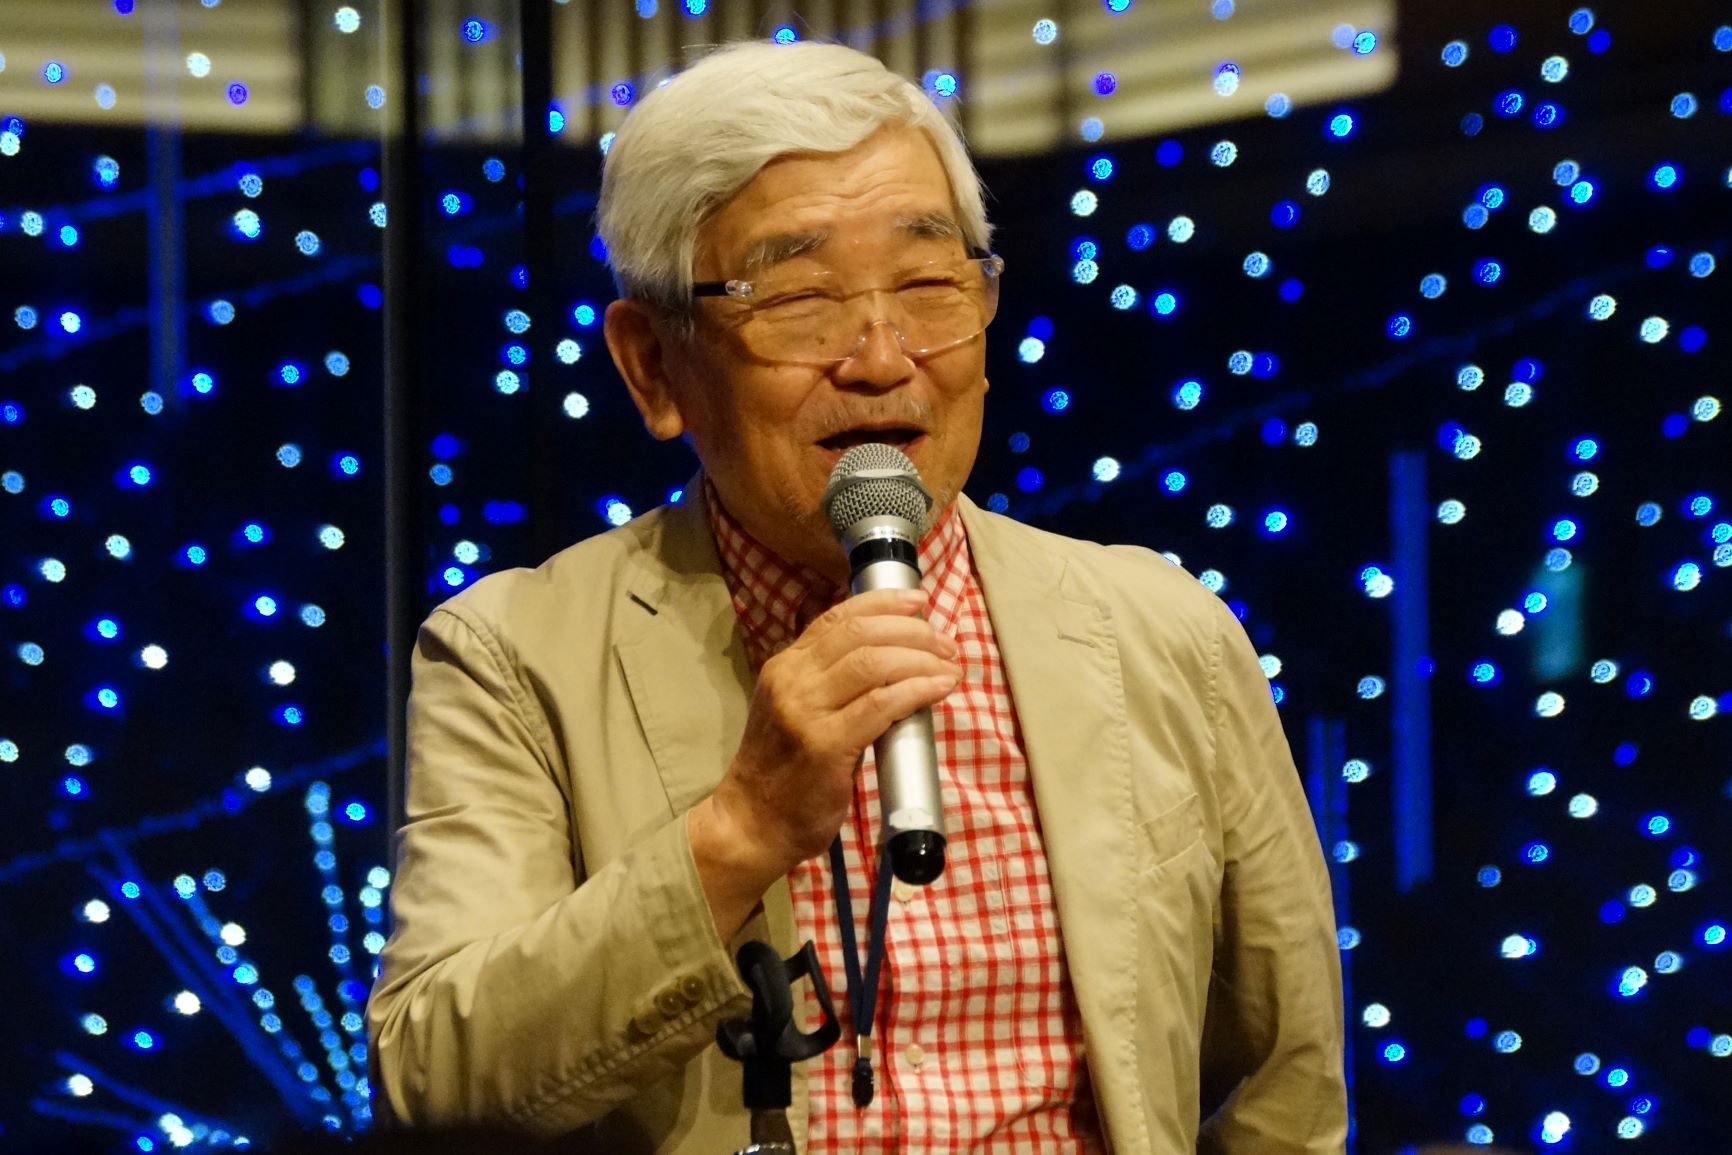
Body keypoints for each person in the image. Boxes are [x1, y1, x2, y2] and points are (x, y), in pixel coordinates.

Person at [367, 38, 1346, 1155]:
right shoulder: (511, 652)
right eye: (798, 298)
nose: (881, 357)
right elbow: (434, 1077)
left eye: (929, 287)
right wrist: (737, 832)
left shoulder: (1162, 632)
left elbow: (1285, 1087)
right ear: (653, 366)